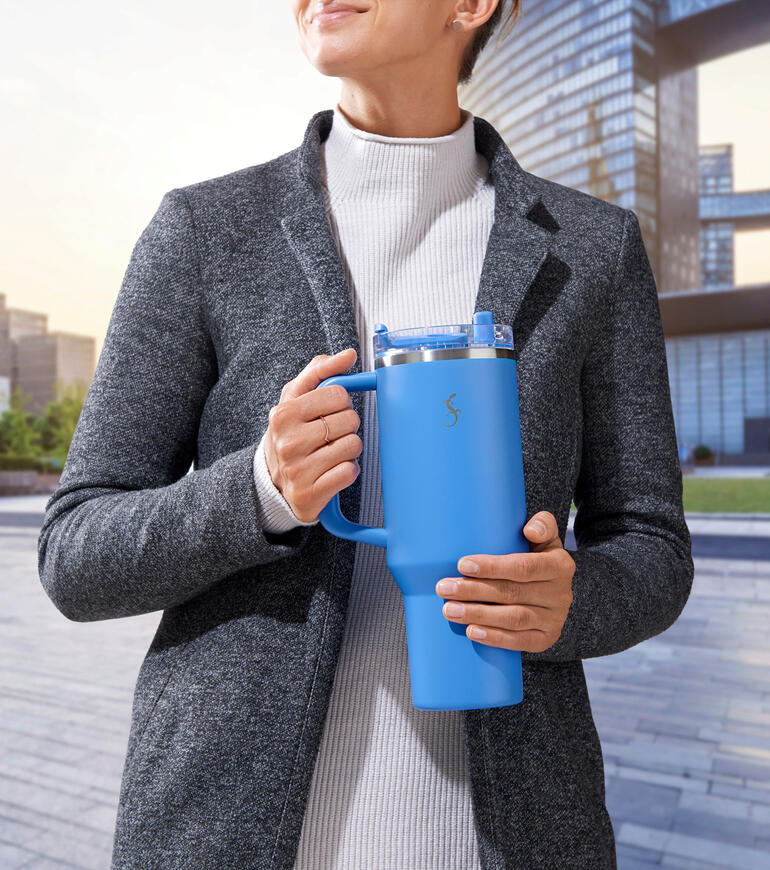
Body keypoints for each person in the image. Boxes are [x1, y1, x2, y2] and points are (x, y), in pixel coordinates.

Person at [37, 1, 694, 868]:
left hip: (508, 832)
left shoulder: (594, 248)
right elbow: (75, 554)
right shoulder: (203, 232)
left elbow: (652, 545)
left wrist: (573, 601)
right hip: (225, 829)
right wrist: (260, 491)